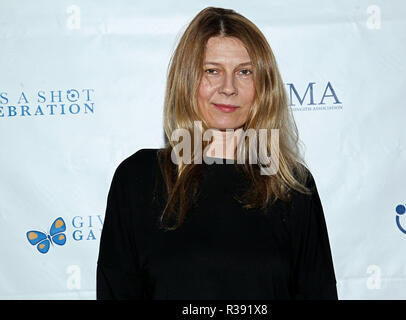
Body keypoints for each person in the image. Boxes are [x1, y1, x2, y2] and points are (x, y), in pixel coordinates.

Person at [96, 6, 338, 300]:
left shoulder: (291, 185)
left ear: (263, 86)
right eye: (212, 71)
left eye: (245, 72)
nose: (228, 88)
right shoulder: (138, 178)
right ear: (186, 81)